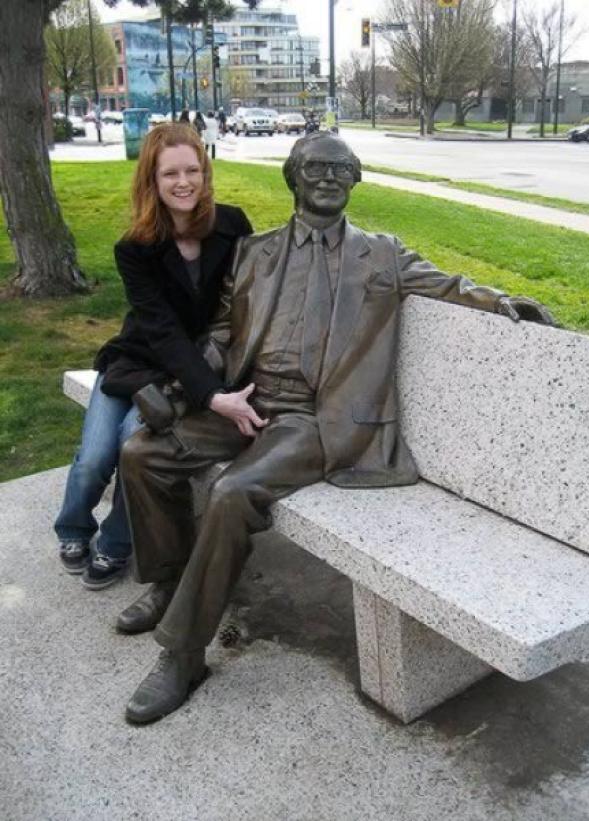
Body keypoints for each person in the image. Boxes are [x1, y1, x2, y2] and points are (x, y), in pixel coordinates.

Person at [118, 131, 555, 723]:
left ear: (355, 180)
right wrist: (191, 389)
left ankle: (184, 653)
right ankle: (172, 581)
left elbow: (447, 283)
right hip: (249, 401)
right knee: (144, 453)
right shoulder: (256, 252)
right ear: (293, 179)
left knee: (233, 491)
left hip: (315, 419)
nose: (328, 177)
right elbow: (222, 333)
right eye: (315, 167)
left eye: (340, 169)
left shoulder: (381, 254)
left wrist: (501, 300)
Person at [54, 122, 252, 590]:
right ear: (152, 180)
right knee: (95, 457)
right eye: (170, 174)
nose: (183, 183)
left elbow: (248, 298)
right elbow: (160, 330)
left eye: (192, 170)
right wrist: (213, 397)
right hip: (133, 362)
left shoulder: (233, 225)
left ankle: (116, 544)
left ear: (205, 172)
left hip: (178, 372)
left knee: (133, 450)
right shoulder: (135, 247)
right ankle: (73, 528)